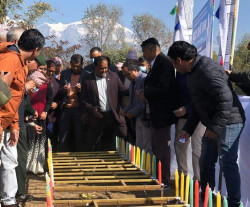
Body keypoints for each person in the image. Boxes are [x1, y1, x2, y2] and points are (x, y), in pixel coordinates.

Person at [168, 41, 245, 207]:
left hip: (230, 121)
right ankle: (207, 198)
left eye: (173, 63)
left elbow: (226, 99)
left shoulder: (207, 69)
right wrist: (188, 129)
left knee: (227, 163)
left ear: (179, 60)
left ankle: (234, 203)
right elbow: (198, 105)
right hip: (214, 122)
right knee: (205, 161)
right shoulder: (192, 73)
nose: (175, 68)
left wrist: (216, 127)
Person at [0, 28, 45, 207]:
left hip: (8, 121)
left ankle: (9, 200)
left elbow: (15, 98)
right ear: (36, 50)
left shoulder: (21, 64)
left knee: (10, 161)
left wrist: (15, 126)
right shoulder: (9, 59)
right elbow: (1, 93)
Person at [138, 38, 177, 188]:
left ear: (152, 50)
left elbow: (163, 87)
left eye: (144, 51)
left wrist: (146, 93)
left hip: (162, 113)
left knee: (162, 148)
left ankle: (164, 179)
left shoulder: (164, 63)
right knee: (156, 147)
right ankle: (158, 176)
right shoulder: (157, 63)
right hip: (155, 113)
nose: (144, 55)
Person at [82, 56, 127, 151]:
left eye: (106, 68)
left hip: (113, 115)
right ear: (95, 67)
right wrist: (92, 109)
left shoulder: (114, 76)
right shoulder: (87, 79)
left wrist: (136, 86)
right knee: (92, 144)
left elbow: (123, 90)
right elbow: (83, 99)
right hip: (97, 117)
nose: (104, 70)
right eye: (101, 68)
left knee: (121, 138)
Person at [173, 70, 206, 181]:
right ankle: (183, 177)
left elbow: (201, 96)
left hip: (197, 118)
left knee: (197, 148)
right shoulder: (179, 72)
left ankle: (198, 180)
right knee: (181, 146)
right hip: (182, 119)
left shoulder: (199, 72)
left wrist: (187, 109)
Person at [26, 56, 53, 174]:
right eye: (40, 68)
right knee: (29, 141)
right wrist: (31, 112)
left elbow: (50, 98)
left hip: (41, 115)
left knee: (40, 142)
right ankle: (27, 166)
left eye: (44, 69)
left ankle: (38, 166)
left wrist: (45, 111)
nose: (42, 71)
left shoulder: (47, 83)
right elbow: (25, 100)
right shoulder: (29, 81)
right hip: (30, 116)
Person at [57, 54, 89, 152]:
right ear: (70, 64)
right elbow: (59, 92)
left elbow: (90, 94)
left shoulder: (87, 74)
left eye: (78, 66)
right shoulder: (64, 74)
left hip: (79, 109)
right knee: (63, 137)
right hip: (66, 108)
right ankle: (63, 159)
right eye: (74, 66)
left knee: (79, 136)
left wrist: (81, 90)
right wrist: (63, 89)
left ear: (82, 65)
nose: (75, 68)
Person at [122, 61, 152, 154]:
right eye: (125, 75)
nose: (127, 77)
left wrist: (133, 112)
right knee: (139, 144)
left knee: (147, 146)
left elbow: (146, 101)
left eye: (128, 74)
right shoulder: (132, 83)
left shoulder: (144, 79)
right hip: (137, 119)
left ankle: (148, 168)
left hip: (145, 118)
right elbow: (132, 102)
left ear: (135, 70)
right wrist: (125, 111)